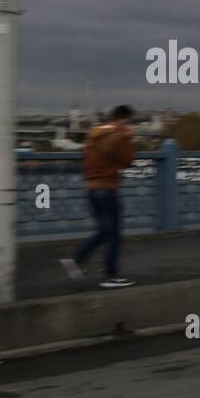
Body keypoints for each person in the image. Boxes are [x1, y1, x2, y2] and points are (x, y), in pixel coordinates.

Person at [61, 105, 137, 288]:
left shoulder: (94, 134)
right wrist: (127, 138)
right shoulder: (116, 137)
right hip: (107, 188)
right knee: (114, 233)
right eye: (127, 121)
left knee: (105, 230)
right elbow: (128, 161)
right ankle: (110, 276)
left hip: (91, 189)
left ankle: (78, 259)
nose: (128, 125)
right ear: (122, 120)